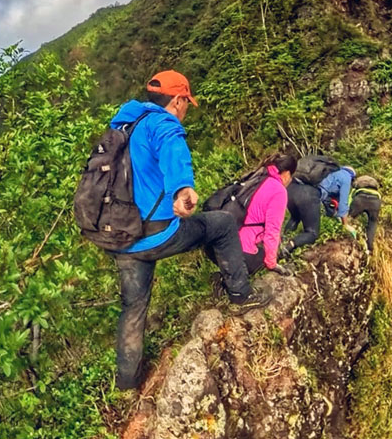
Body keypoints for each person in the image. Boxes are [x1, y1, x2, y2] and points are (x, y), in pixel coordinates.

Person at [110, 70, 269, 391]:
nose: (185, 110)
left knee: (133, 308)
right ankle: (241, 296)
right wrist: (183, 188)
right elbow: (174, 154)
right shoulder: (164, 124)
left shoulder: (124, 126)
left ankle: (125, 386)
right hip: (155, 234)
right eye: (186, 103)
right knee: (222, 223)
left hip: (121, 237)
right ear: (178, 99)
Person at [238, 154, 297, 274]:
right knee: (267, 262)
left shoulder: (257, 178)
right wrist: (272, 263)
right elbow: (272, 231)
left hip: (226, 243)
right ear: (286, 174)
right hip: (244, 251)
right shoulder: (278, 191)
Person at [283, 164, 356, 252]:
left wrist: (332, 213)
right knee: (312, 233)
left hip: (293, 190)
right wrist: (345, 225)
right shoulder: (346, 177)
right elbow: (343, 204)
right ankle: (291, 245)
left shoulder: (333, 172)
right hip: (309, 195)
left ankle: (282, 241)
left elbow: (326, 198)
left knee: (295, 217)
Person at [348, 175, 382, 252]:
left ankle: (350, 240)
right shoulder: (376, 191)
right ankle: (369, 247)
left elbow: (349, 200)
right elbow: (379, 199)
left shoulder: (355, 188)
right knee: (372, 223)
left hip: (360, 199)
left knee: (349, 219)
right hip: (375, 201)